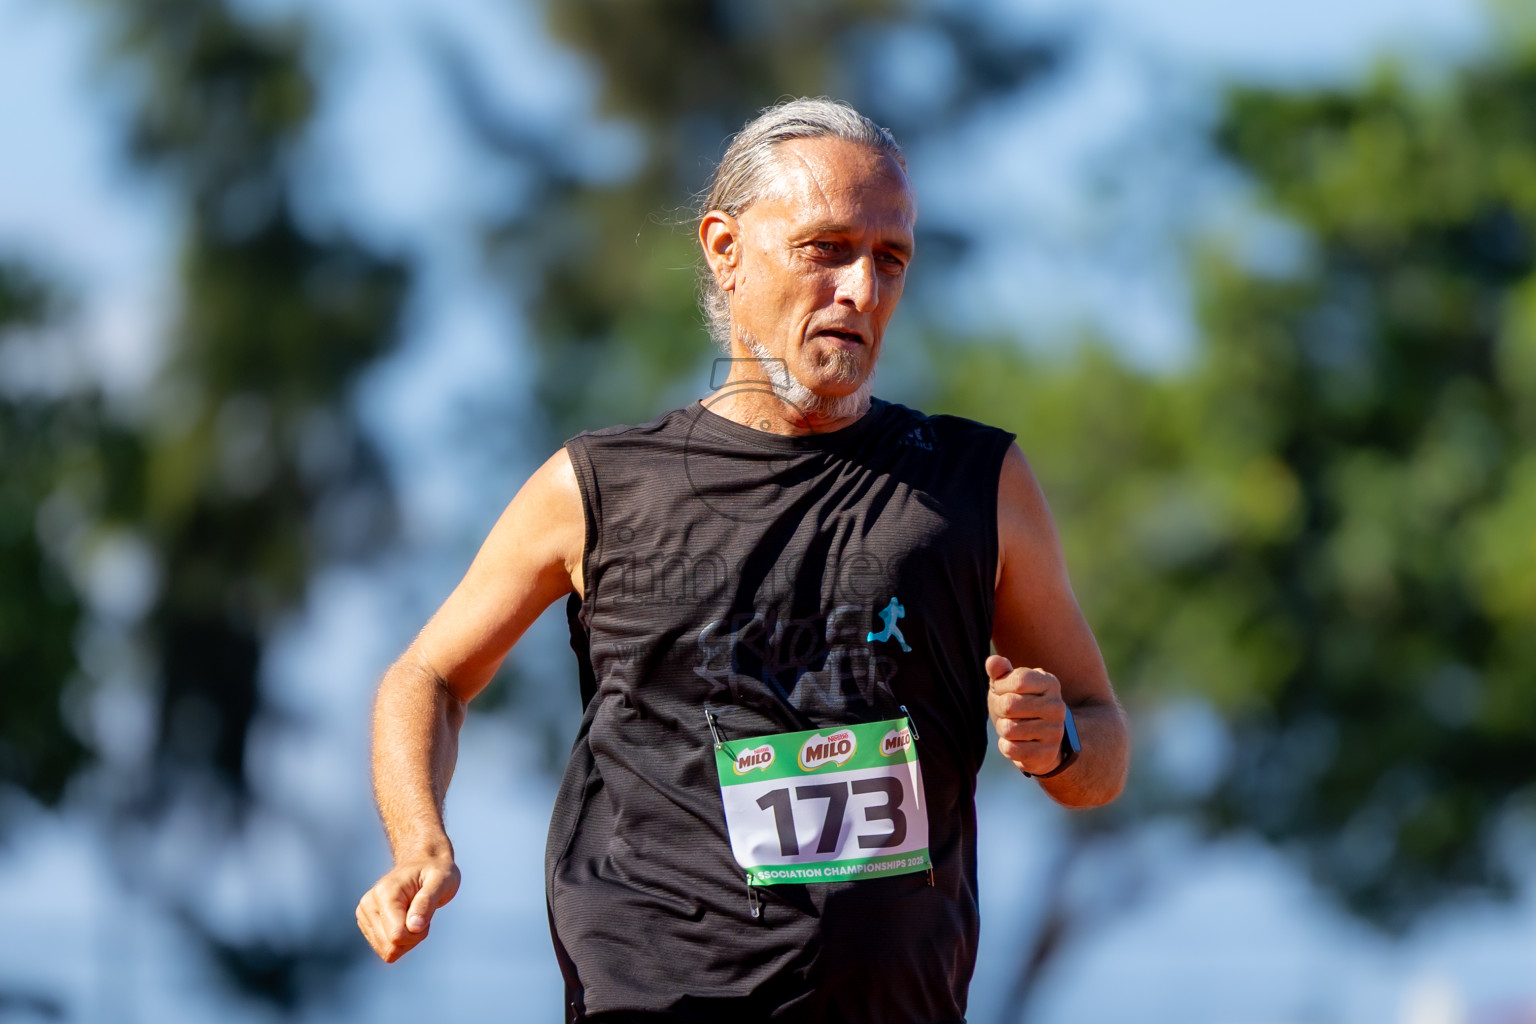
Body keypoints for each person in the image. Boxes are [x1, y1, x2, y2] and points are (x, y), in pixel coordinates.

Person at [355, 97, 1130, 1023]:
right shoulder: (599, 486)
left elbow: (1100, 737)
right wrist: (419, 843)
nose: (861, 290)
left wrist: (1061, 743)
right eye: (826, 248)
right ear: (725, 249)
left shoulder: (974, 484)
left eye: (891, 259)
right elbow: (428, 675)